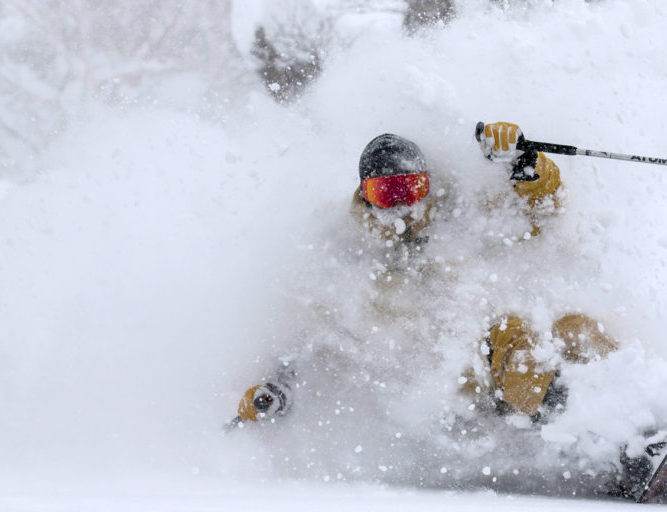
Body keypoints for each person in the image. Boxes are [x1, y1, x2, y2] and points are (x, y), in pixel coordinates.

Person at [230, 122, 664, 499]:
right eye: (388, 193)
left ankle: (648, 421)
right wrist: (277, 385)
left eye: (413, 189)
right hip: (445, 394)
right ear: (365, 195)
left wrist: (527, 168)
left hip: (496, 363)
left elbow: (540, 217)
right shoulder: (346, 254)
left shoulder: (458, 214)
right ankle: (621, 454)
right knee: (514, 334)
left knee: (573, 327)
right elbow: (308, 332)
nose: (404, 205)